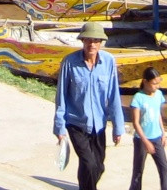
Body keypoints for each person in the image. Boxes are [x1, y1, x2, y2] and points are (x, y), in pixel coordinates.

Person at [53, 20, 124, 190]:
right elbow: (61, 95)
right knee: (89, 164)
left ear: (101, 43)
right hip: (76, 123)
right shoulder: (69, 62)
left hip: (99, 124)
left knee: (98, 167)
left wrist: (118, 127)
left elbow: (114, 95)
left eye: (96, 41)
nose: (92, 44)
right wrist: (60, 128)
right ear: (82, 41)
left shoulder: (108, 61)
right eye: (88, 40)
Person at [128, 67, 167, 190]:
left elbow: (158, 115)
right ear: (145, 82)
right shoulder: (138, 98)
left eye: (158, 83)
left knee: (164, 168)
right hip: (141, 139)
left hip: (156, 137)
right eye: (154, 83)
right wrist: (145, 141)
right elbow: (135, 123)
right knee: (138, 171)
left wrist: (163, 133)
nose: (157, 86)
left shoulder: (159, 95)